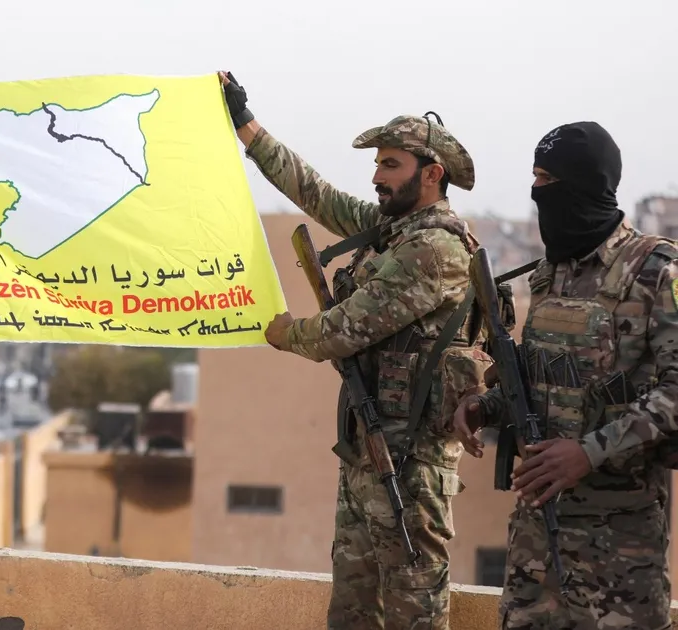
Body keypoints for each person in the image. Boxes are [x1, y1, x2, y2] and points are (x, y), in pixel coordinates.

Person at [220, 71, 491, 629]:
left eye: (390, 165)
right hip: (368, 451)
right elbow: (315, 193)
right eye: (377, 164)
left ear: (432, 174)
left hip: (410, 466)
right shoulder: (393, 229)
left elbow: (345, 329)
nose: (376, 177)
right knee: (352, 614)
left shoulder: (435, 248)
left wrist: (286, 333)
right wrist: (246, 125)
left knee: (413, 614)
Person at [453, 121, 677, 629]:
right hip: (537, 537)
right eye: (535, 178)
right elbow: (543, 379)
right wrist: (486, 406)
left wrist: (587, 452)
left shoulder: (657, 271)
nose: (537, 192)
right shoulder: (549, 274)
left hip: (619, 545)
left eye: (548, 179)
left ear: (585, 184)